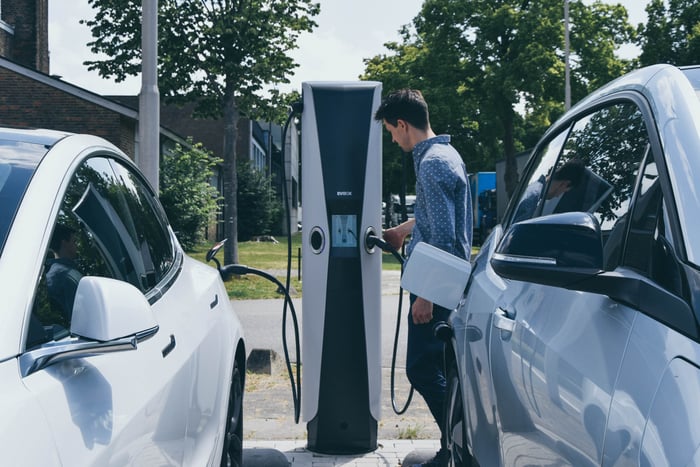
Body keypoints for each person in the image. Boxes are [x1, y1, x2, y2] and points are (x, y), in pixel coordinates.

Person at [375, 89, 472, 467]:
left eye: (391, 131)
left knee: (421, 367)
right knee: (440, 366)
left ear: (402, 124)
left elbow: (445, 235)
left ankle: (457, 447)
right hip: (445, 280)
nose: (392, 139)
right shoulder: (446, 154)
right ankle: (457, 447)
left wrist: (426, 296)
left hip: (437, 285)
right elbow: (438, 216)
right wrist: (404, 229)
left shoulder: (431, 163)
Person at [512, 158, 585, 223]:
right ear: (564, 184)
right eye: (562, 191)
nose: (557, 196)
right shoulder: (533, 198)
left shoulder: (533, 189)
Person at [46, 224, 83, 322]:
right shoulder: (67, 276)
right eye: (74, 241)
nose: (77, 245)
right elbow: (79, 319)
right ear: (64, 243)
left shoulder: (52, 274)